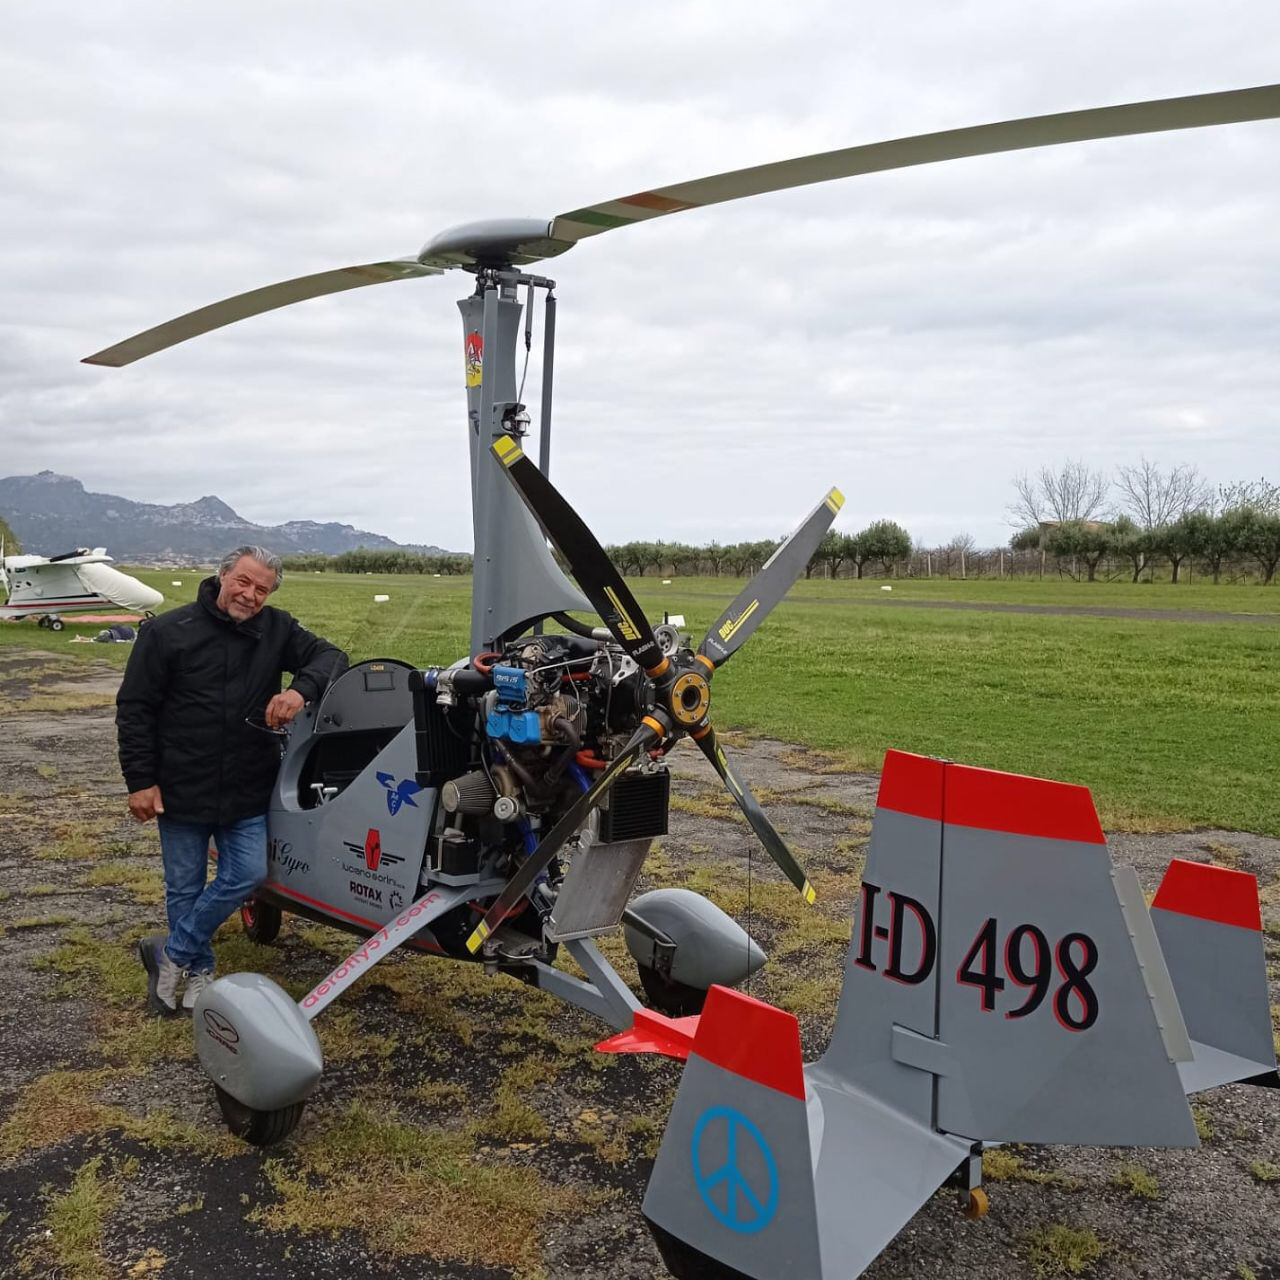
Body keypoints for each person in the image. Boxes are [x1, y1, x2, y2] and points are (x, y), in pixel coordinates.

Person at [116, 545, 347, 1017]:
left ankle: (173, 954)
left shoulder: (277, 628)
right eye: (243, 582)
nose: (250, 595)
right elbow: (135, 710)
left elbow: (330, 655)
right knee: (183, 887)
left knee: (247, 874)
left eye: (262, 589)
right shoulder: (165, 632)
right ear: (222, 576)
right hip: (180, 785)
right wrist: (140, 781)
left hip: (246, 784)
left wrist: (299, 690)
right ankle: (199, 971)